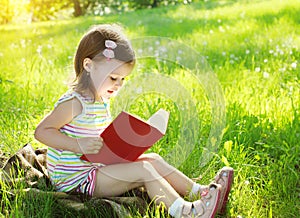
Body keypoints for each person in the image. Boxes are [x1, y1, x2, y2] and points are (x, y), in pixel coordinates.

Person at [34, 24, 234, 218]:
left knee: (152, 159)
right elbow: (42, 131)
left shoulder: (101, 98)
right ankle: (187, 212)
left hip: (95, 168)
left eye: (123, 79)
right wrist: (77, 145)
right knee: (144, 170)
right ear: (88, 65)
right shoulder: (74, 103)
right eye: (113, 78)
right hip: (76, 180)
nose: (118, 85)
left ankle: (201, 192)